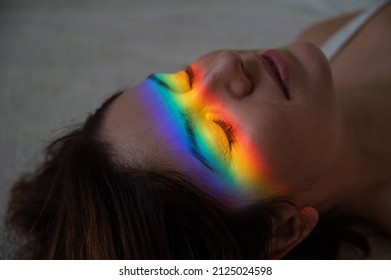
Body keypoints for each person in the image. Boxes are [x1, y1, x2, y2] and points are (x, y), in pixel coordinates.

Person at [6, 0, 391, 259]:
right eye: (219, 135)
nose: (224, 64)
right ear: (284, 229)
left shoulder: (331, 38)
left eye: (183, 80)